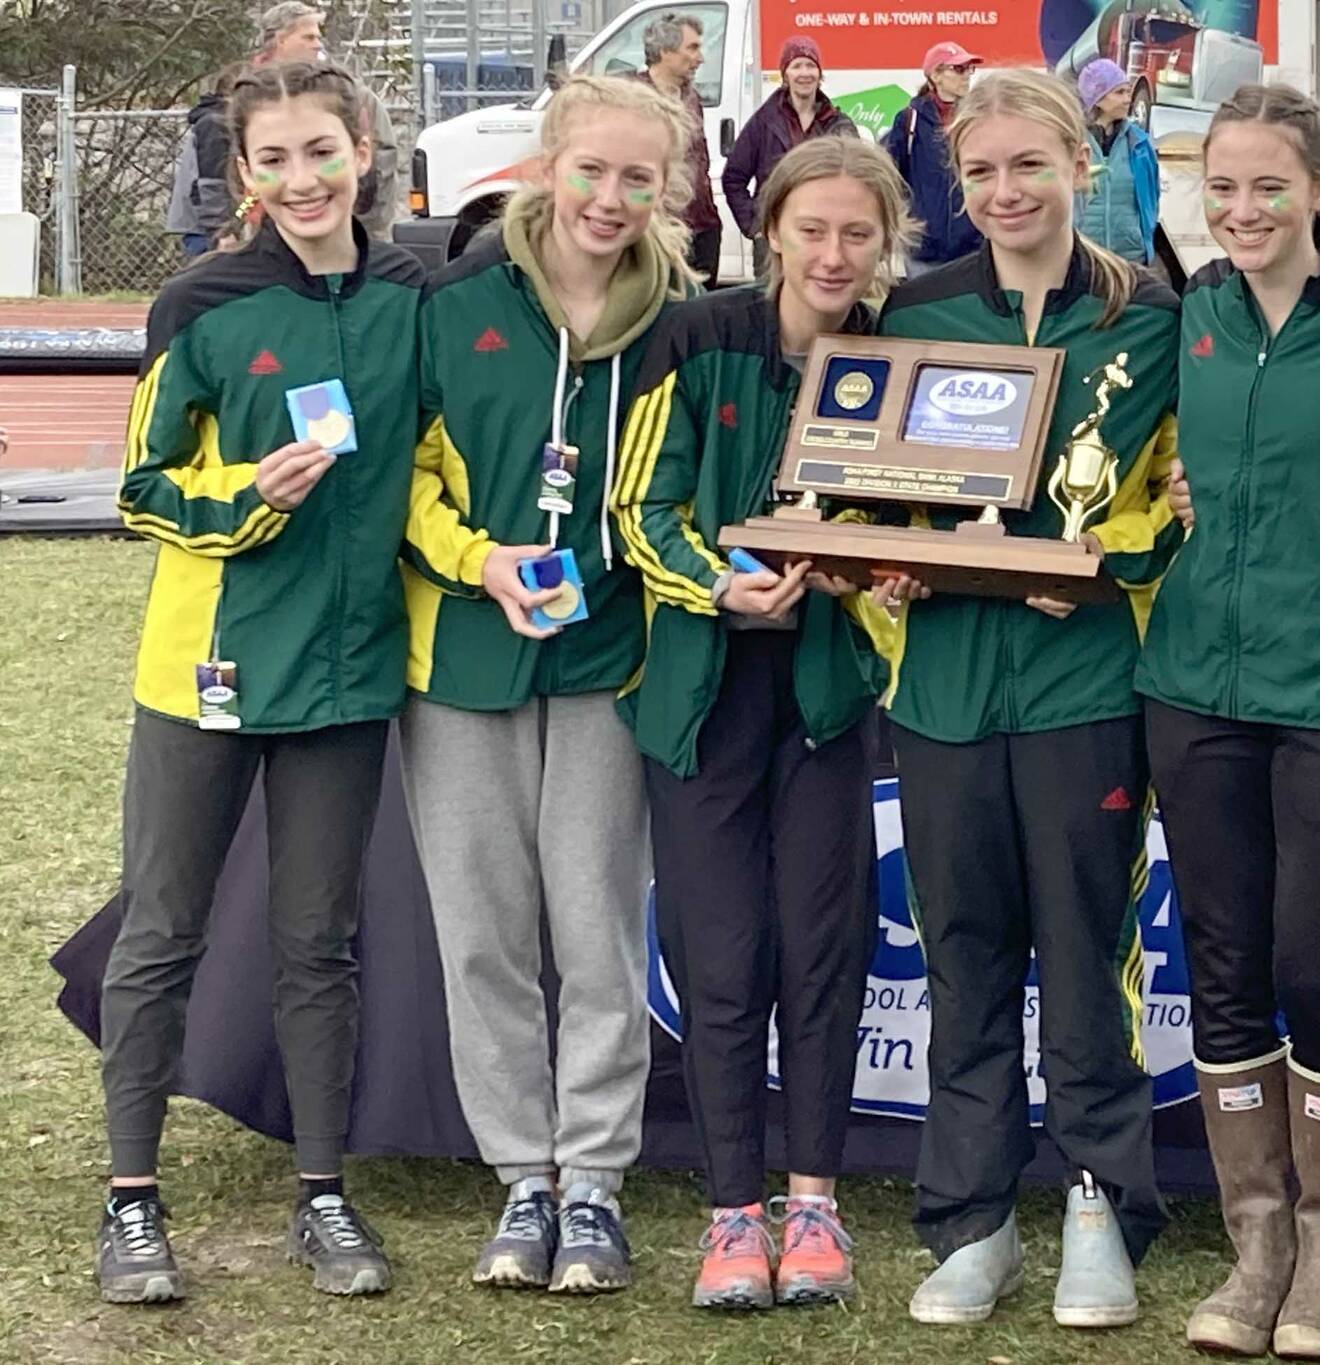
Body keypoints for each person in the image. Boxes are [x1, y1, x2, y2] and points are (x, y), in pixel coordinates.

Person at [95, 61, 424, 1305]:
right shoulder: (200, 302)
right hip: (206, 675)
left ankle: (323, 1193)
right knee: (161, 932)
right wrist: (246, 497)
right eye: (273, 159)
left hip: (346, 681)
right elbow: (140, 487)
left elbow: (438, 469)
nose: (301, 179)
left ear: (363, 150)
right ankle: (132, 1201)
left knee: (317, 945)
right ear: (243, 175)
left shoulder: (417, 296)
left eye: (320, 151)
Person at [871, 67, 1181, 1332]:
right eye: (982, 172)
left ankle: (1100, 1205)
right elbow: (862, 492)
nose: (1005, 193)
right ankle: (973, 1218)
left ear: (1077, 167)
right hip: (944, 689)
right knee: (963, 956)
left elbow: (1182, 502)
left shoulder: (1149, 315)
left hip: (1081, 689)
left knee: (1086, 946)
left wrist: (1114, 571)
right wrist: (877, 562)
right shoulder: (915, 313)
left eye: (1028, 168)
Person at [1136, 82, 1320, 1361]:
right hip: (1192, 687)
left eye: (1266, 187)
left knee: (1318, 965)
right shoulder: (1185, 312)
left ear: (1319, 189)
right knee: (1226, 965)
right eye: (1221, 189)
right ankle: (1255, 1249)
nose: (1241, 211)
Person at [398, 74, 691, 1298]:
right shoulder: (453, 303)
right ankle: (524, 1174)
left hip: (607, 660)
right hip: (462, 660)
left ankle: (596, 1185)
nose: (610, 199)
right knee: (482, 934)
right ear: (545, 165)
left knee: (596, 929)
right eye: (592, 170)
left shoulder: (685, 319)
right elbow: (399, 481)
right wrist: (478, 560)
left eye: (638, 178)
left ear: (666, 190)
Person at [613, 134, 910, 1313]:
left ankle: (816, 1204)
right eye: (814, 228)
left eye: (857, 233)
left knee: (823, 955)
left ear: (886, 242)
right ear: (769, 230)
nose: (833, 253)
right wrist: (715, 582)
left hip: (830, 699)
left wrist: (877, 568)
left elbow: (923, 511)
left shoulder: (900, 355)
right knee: (722, 960)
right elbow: (641, 506)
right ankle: (733, 1210)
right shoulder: (696, 339)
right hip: (700, 697)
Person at [252, 3, 401, 240]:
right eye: (309, 37)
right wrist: (232, 225)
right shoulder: (244, 98)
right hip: (263, 237)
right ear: (281, 40)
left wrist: (368, 228)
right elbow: (220, 172)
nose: (318, 44)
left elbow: (382, 161)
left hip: (348, 231)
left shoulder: (351, 95)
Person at [723, 36, 857, 277]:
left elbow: (856, 182)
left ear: (820, 73)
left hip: (822, 239)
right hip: (773, 242)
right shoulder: (764, 122)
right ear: (785, 74)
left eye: (810, 65)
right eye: (796, 66)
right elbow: (733, 178)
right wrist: (755, 226)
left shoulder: (839, 125)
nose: (804, 73)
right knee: (770, 311)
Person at [636, 13, 723, 284]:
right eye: (693, 48)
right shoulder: (633, 98)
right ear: (665, 51)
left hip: (702, 227)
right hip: (658, 230)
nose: (701, 58)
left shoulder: (691, 96)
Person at [884, 42, 985, 276]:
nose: (967, 76)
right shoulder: (909, 119)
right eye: (959, 69)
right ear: (936, 75)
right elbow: (891, 176)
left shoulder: (977, 118)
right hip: (923, 250)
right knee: (923, 311)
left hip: (972, 247)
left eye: (969, 69)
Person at [1072, 58, 1161, 267]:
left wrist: (1142, 237)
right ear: (1098, 98)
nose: (1127, 100)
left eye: (1127, 92)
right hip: (1084, 262)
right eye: (1119, 93)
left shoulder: (1139, 143)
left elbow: (1153, 196)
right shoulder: (1071, 143)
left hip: (1130, 260)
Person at [165, 69, 237, 257]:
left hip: (217, 224)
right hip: (205, 229)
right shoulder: (215, 124)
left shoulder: (223, 122)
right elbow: (211, 183)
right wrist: (222, 231)